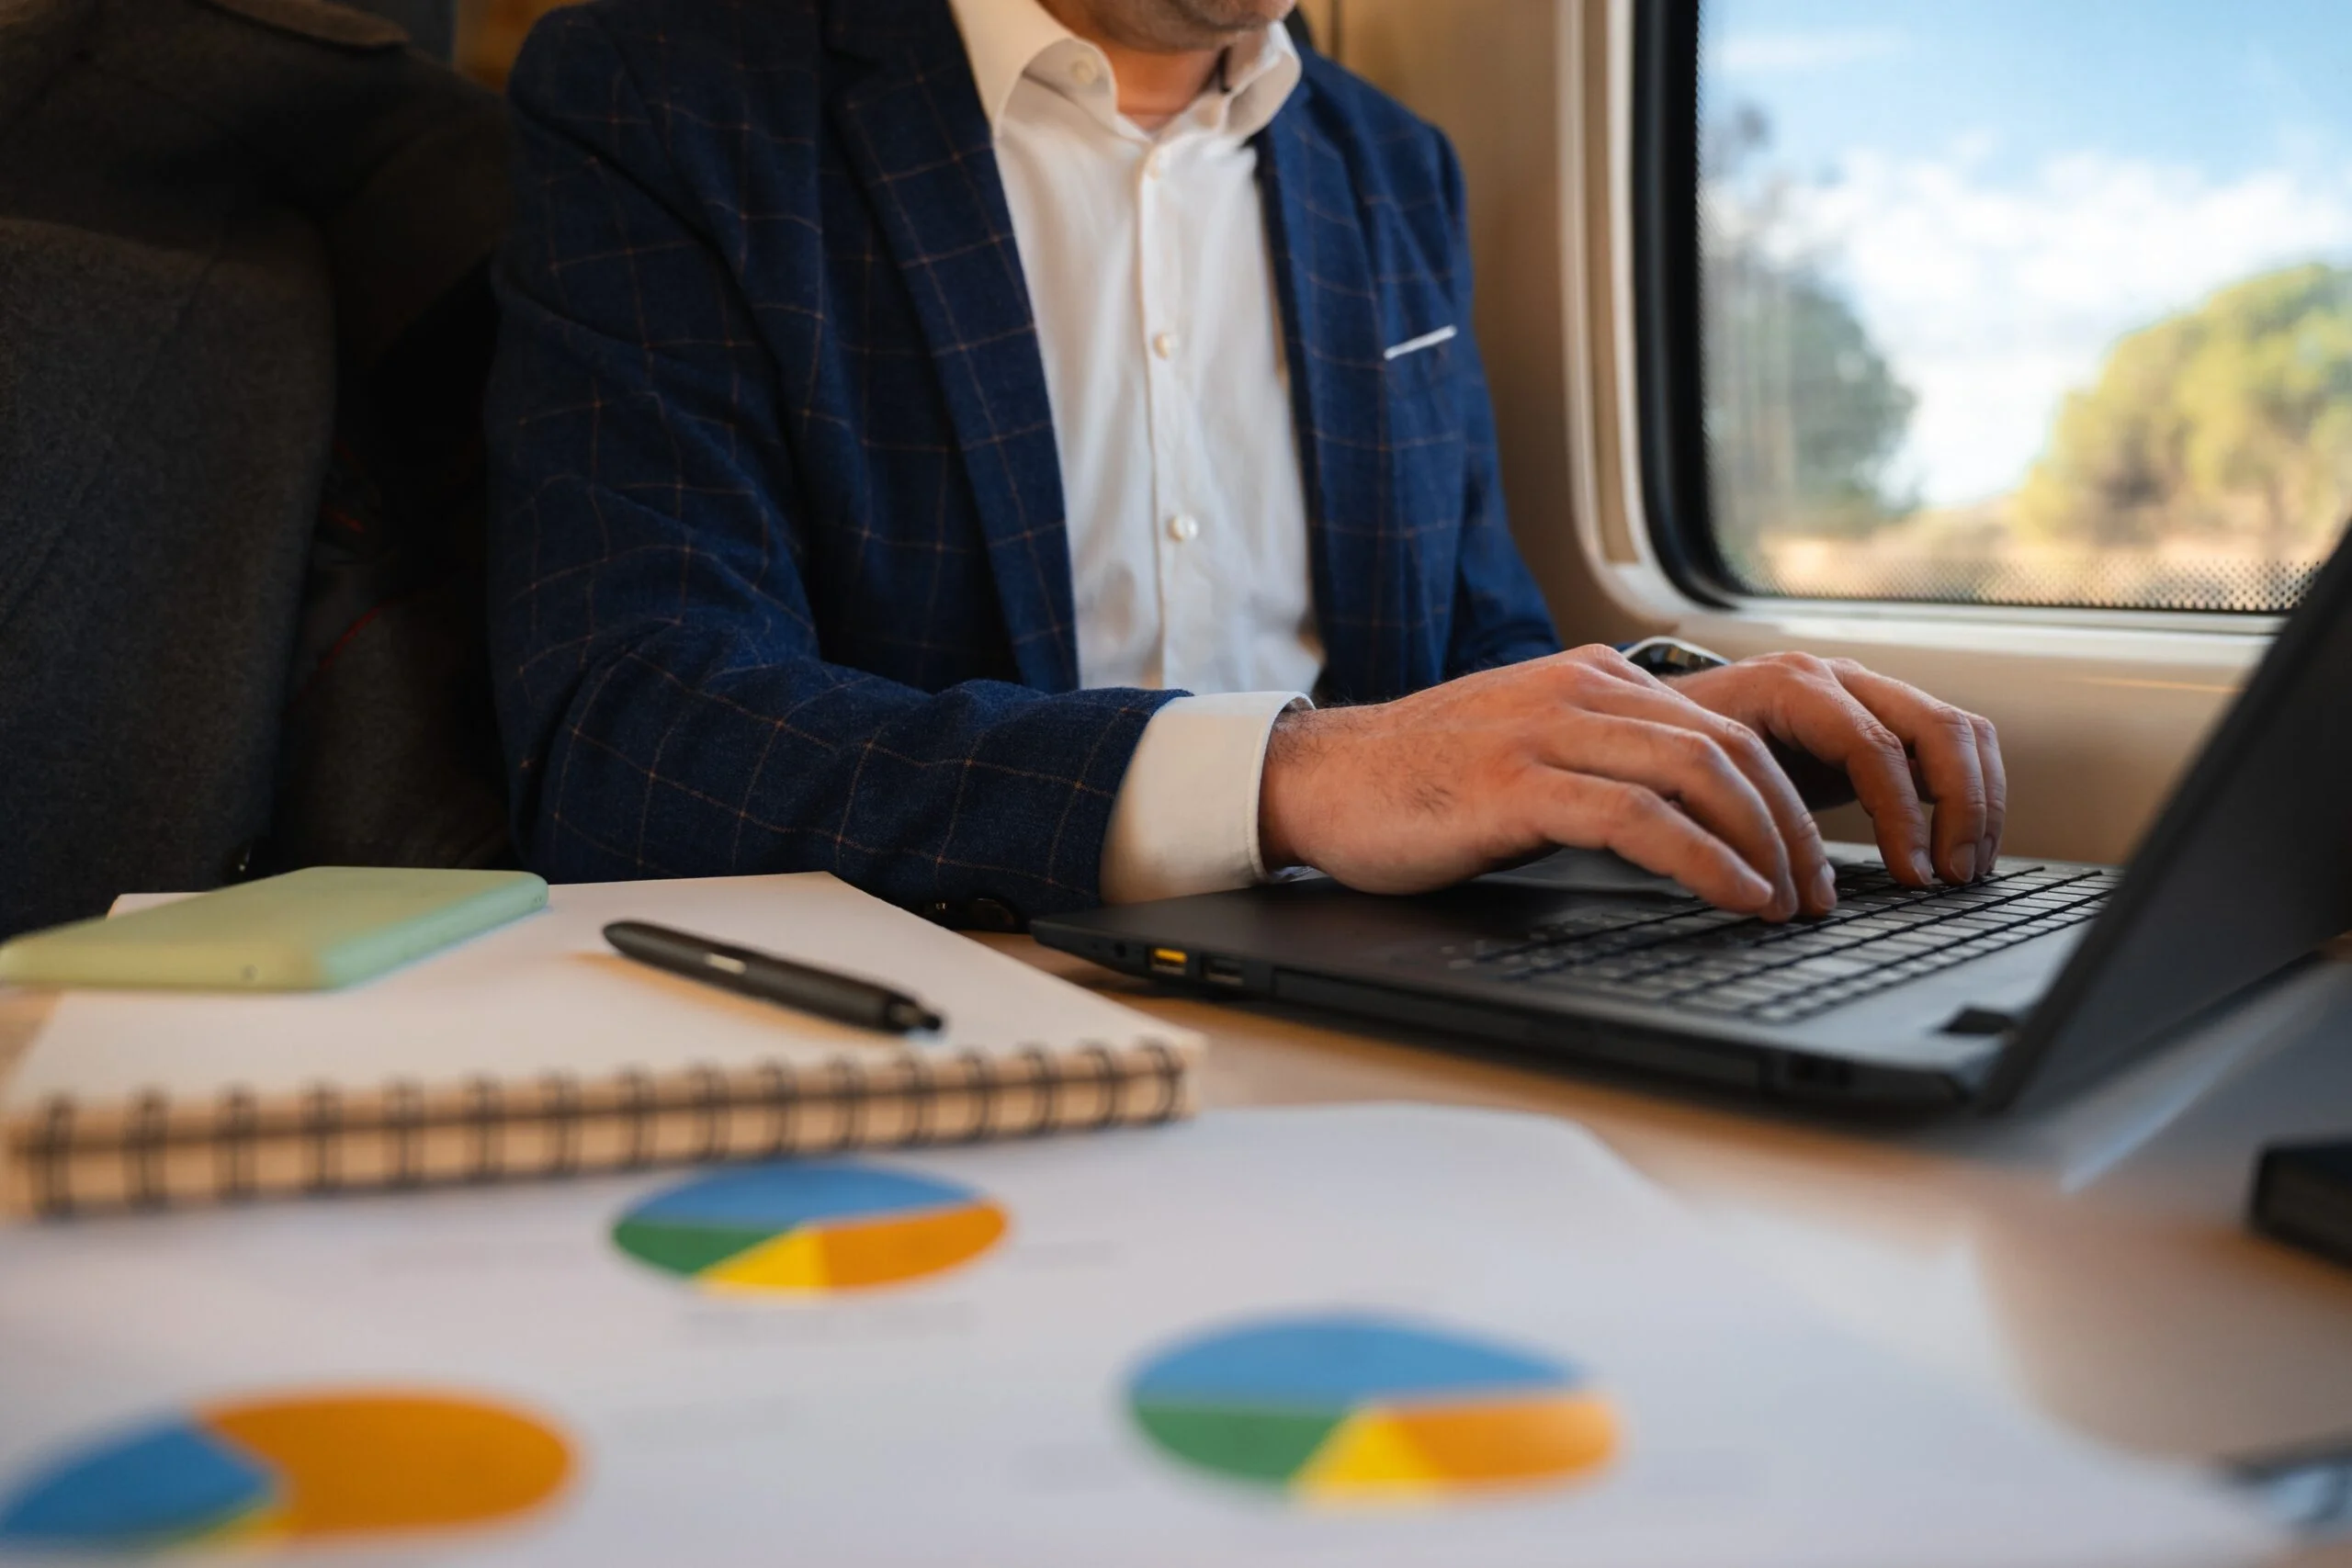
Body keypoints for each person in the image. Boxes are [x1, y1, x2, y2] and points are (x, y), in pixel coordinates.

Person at [485, 0, 2006, 929]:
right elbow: (631, 738)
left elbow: (1475, 659)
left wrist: (1672, 721)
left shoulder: (1391, 164)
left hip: (1385, 1007)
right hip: (952, 991)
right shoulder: (663, 101)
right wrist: (1291, 781)